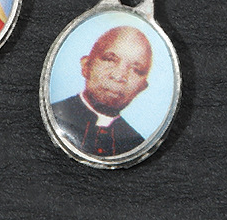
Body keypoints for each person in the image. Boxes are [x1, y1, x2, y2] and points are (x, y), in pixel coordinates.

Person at [50, 26, 152, 157]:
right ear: (86, 66)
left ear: (142, 87)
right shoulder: (54, 114)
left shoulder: (136, 145)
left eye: (136, 70)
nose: (119, 76)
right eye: (110, 59)